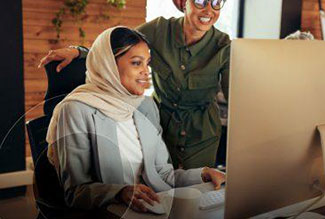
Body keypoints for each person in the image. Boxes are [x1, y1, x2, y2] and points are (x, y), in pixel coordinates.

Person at [46, 26, 224, 211]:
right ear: (109, 65)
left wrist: (202, 174)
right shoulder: (75, 110)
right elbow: (75, 192)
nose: (146, 72)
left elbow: (162, 174)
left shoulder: (145, 105)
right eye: (136, 63)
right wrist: (120, 192)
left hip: (154, 207)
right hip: (110, 212)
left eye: (147, 63)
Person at [39, 0, 230, 170]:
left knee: (198, 194)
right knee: (161, 187)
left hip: (202, 135)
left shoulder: (224, 46)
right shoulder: (158, 30)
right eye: (200, 1)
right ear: (182, 3)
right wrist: (77, 51)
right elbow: (117, 48)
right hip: (161, 126)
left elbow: (236, 96)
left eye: (216, 3)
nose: (208, 10)